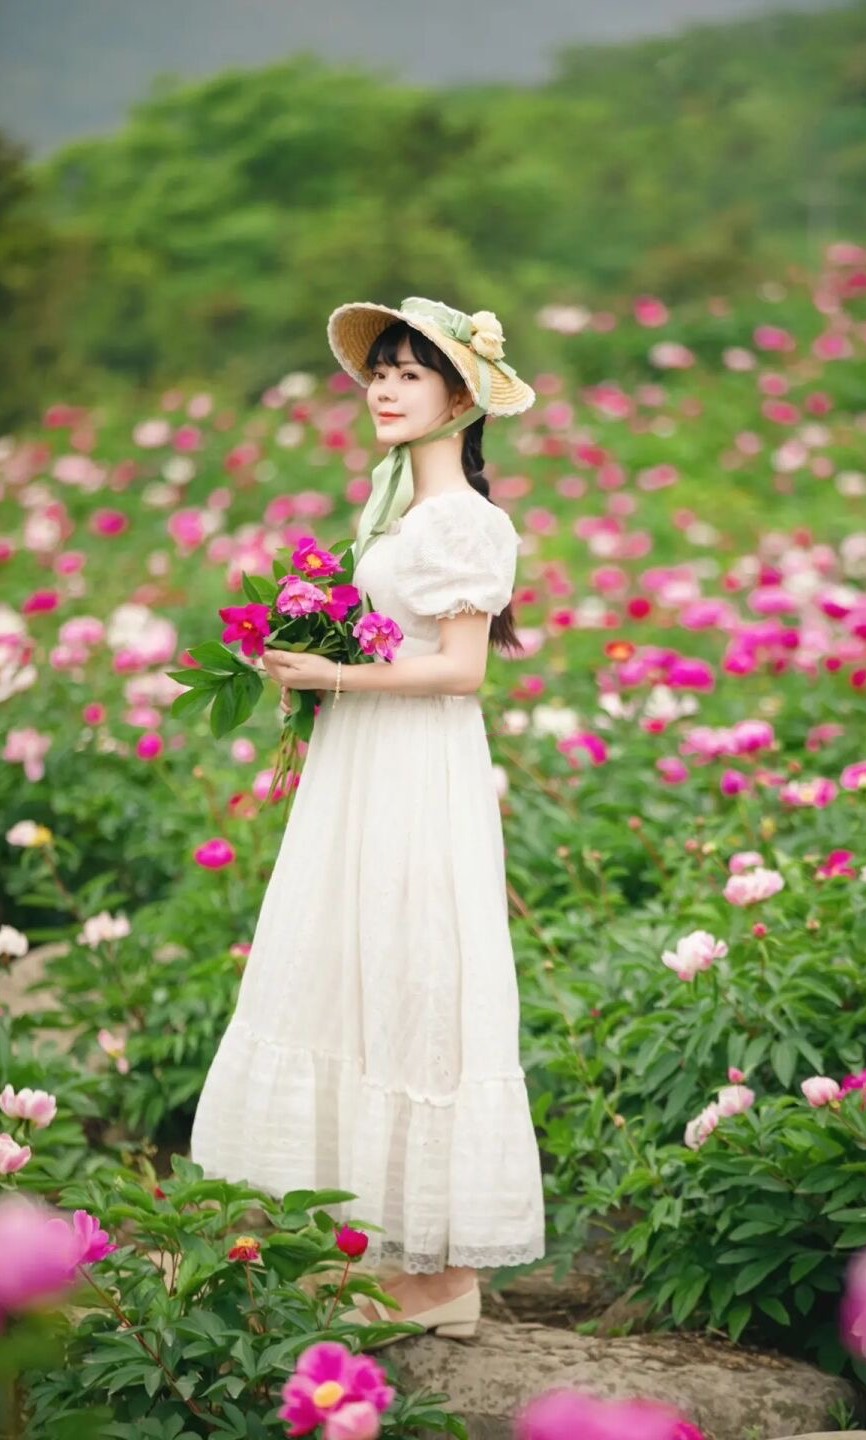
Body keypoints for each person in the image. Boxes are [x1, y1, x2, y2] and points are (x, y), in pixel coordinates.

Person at [189, 296, 546, 1343]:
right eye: (378, 372)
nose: (383, 389)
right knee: (361, 968)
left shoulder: (467, 523)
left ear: (458, 397)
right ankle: (387, 1252)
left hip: (416, 769)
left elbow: (464, 670)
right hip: (369, 765)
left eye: (407, 372)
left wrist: (336, 674)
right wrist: (315, 661)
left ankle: (439, 1279)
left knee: (417, 971)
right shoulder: (396, 513)